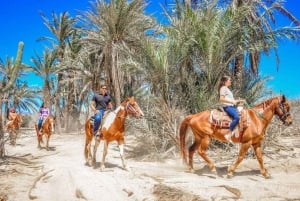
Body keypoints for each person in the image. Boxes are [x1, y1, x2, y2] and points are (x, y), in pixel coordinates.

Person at [218, 75, 244, 142]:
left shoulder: (227, 89)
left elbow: (231, 100)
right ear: (225, 82)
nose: (230, 81)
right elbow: (221, 99)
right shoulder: (223, 88)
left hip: (231, 106)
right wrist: (233, 101)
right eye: (229, 80)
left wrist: (238, 101)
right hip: (227, 107)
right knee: (237, 117)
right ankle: (228, 133)